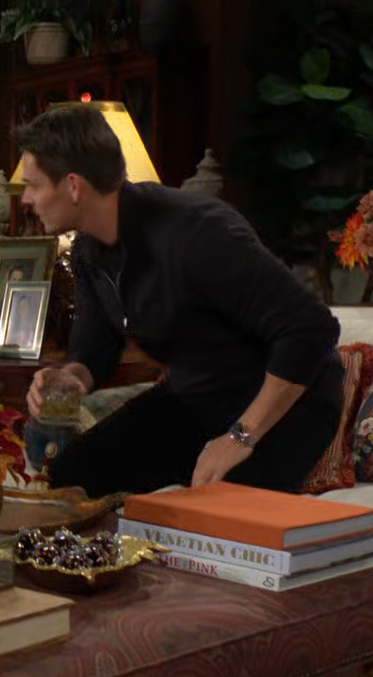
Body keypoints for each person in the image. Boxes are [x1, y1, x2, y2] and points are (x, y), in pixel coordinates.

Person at [19, 105, 343, 495]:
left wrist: (240, 437)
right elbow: (96, 351)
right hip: (194, 401)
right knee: (72, 480)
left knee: (214, 511)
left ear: (73, 186)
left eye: (33, 185)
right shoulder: (88, 251)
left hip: (284, 409)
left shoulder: (198, 232)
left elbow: (310, 328)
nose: (26, 198)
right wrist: (70, 379)